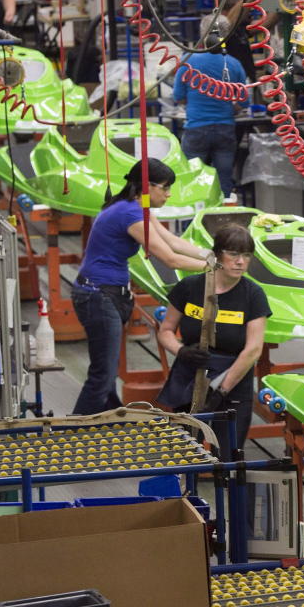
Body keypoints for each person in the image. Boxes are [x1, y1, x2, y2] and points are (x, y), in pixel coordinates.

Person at [71, 158, 210, 415]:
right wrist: (215, 268)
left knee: (106, 369)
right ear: (147, 186)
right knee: (103, 374)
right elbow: (169, 258)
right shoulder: (130, 214)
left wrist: (211, 254)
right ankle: (73, 432)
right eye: (165, 188)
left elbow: (173, 242)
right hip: (98, 296)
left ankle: (109, 420)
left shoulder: (136, 207)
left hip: (106, 294)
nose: (168, 194)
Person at [156, 223, 267, 450]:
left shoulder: (253, 294)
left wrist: (221, 391)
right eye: (233, 254)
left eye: (246, 255)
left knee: (230, 456)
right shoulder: (189, 287)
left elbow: (253, 350)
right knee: (184, 452)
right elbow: (165, 331)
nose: (240, 262)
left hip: (233, 380)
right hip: (190, 373)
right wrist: (181, 351)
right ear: (216, 255)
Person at [174, 14, 248, 198]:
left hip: (196, 128)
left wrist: (198, 101)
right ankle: (224, 219)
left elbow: (178, 97)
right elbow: (244, 101)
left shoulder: (188, 61)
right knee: (224, 180)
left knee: (193, 178)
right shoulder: (233, 64)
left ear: (203, 35)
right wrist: (225, 106)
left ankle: (196, 216)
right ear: (227, 36)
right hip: (225, 129)